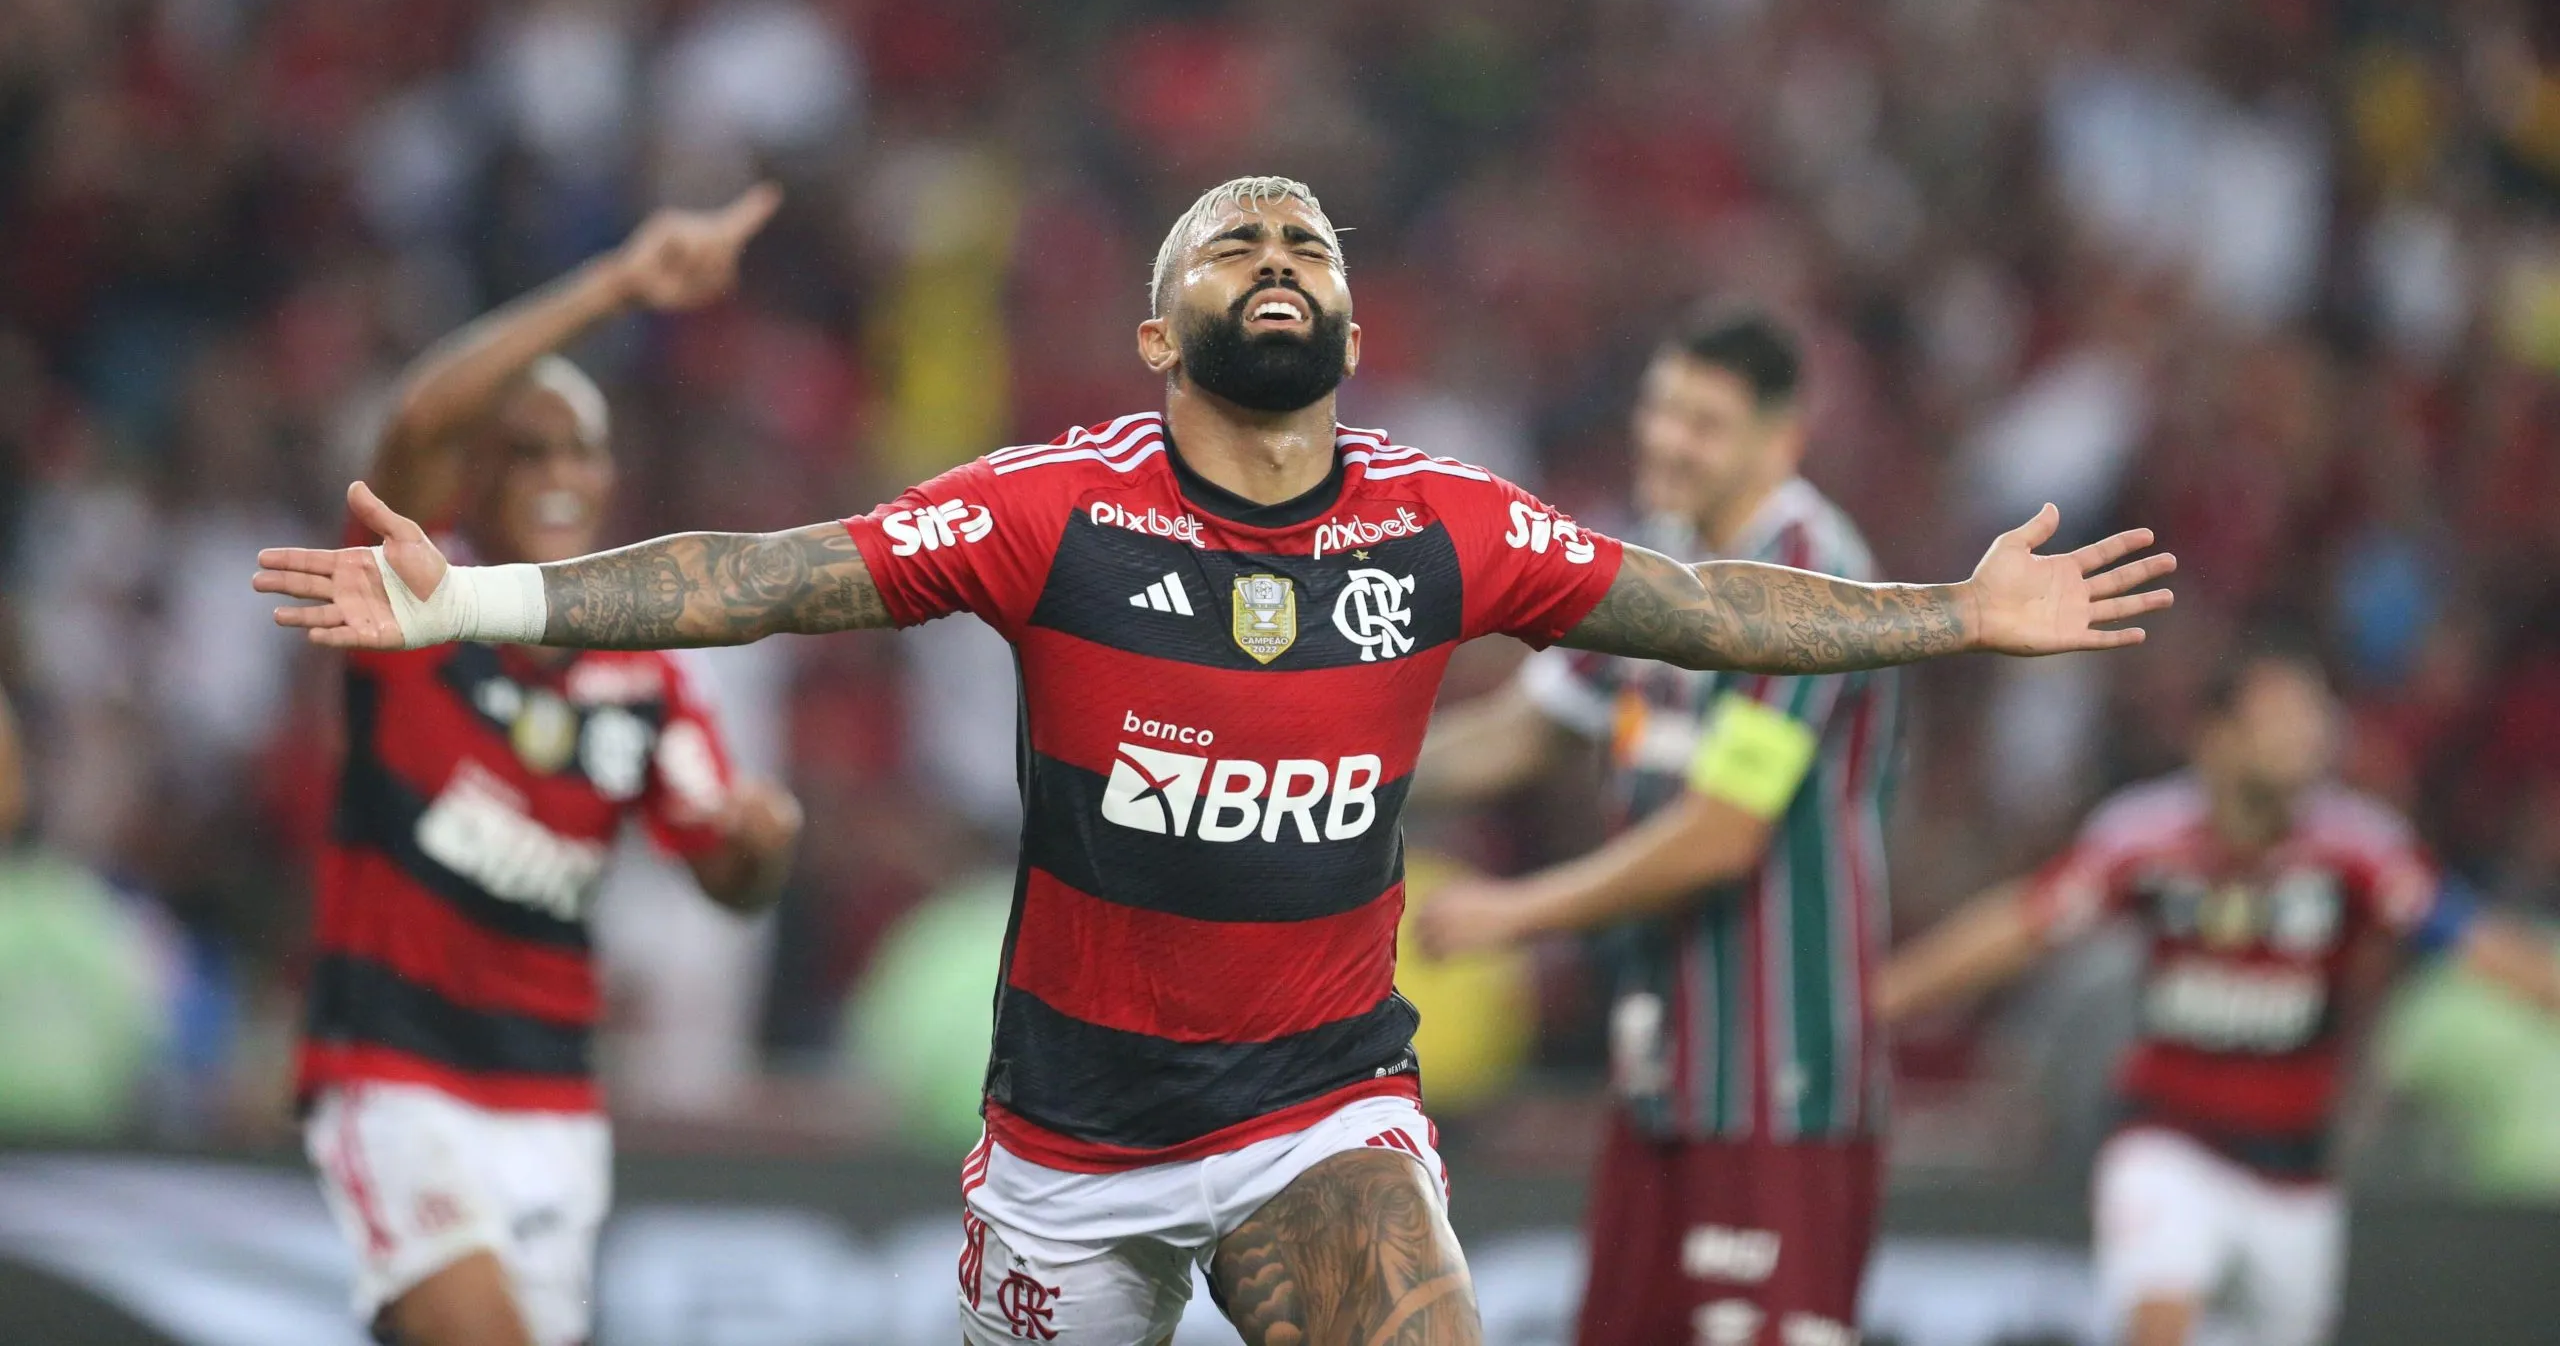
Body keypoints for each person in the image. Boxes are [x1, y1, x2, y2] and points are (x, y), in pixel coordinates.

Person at [254, 175, 2174, 1346]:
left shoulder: (1441, 523)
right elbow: (765, 576)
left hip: (1318, 1101)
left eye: (1309, 239)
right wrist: (464, 600)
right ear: (1157, 321)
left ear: (1346, 317)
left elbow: (1707, 605)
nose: (1279, 249)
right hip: (1068, 1142)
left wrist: (1957, 610)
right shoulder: (1052, 509)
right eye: (1234, 236)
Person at [291, 186, 805, 1346]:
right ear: (479, 479)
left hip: (553, 1096)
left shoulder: (651, 674)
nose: (563, 471)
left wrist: (759, 845)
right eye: (528, 449)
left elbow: (724, 876)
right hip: (395, 1072)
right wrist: (619, 284)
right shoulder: (413, 611)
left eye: (584, 447)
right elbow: (420, 420)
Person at [1408, 308, 1894, 1346]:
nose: (1668, 440)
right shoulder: (1656, 560)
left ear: (1780, 440)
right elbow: (1523, 732)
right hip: (1663, 1065)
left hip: (1778, 1073)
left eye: (1704, 424)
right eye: (1662, 410)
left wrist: (1517, 912)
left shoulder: (1811, 580)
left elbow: (1724, 832)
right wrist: (1339, 761)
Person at [1877, 646, 2560, 1346]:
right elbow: (2022, 925)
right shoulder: (2144, 836)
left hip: (2295, 1171)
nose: (2308, 736)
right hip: (2171, 1139)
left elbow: (2479, 943)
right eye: (2282, 717)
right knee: (2160, 1321)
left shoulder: (2359, 848)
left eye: (2313, 717)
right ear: (2218, 735)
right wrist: (1884, 998)